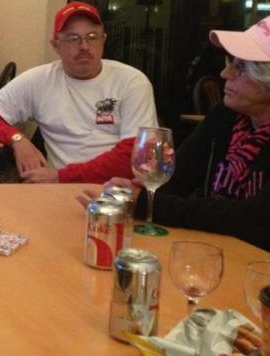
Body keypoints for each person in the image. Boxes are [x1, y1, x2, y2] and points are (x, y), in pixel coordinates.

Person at [81, 17, 270, 251]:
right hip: (221, 251)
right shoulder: (226, 117)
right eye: (231, 62)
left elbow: (257, 219)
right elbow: (175, 181)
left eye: (240, 68)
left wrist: (146, 204)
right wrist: (131, 193)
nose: (224, 73)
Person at [0, 1, 158, 184]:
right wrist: (18, 140)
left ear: (103, 40)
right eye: (72, 38)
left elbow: (136, 156)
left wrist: (62, 177)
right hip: (59, 190)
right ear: (55, 45)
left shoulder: (132, 81)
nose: (84, 46)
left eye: (92, 37)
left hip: (116, 190)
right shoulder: (39, 80)